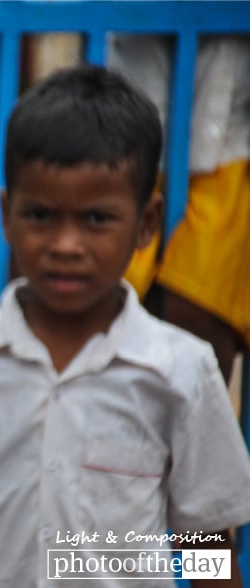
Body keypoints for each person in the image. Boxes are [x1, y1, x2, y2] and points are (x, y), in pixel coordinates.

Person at [0, 65, 250, 588]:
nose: (66, 243)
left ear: (146, 223)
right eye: (42, 215)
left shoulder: (181, 370)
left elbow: (204, 540)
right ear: (6, 215)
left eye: (96, 219)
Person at [109, 35, 250, 385]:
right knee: (103, 303)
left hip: (229, 136)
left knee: (198, 310)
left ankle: (183, 431)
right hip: (121, 124)